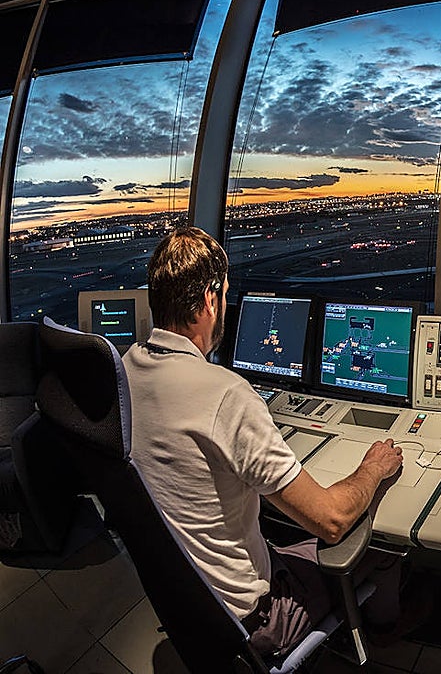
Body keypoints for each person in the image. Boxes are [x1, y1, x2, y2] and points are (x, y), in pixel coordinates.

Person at [123, 226, 409, 658]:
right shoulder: (224, 393)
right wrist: (372, 468)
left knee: (281, 535)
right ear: (209, 300)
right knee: (385, 550)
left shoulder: (126, 369)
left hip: (190, 600)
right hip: (255, 618)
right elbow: (330, 519)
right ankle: (386, 631)